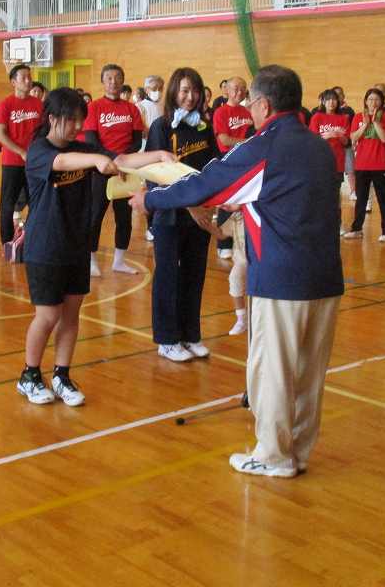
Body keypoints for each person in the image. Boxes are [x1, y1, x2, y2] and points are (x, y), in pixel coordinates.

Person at [131, 64, 344, 478]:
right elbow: (285, 196)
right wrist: (245, 200)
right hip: (326, 278)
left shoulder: (262, 145)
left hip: (283, 280)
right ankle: (295, 452)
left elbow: (205, 184)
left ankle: (272, 457)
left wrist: (151, 199)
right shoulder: (318, 146)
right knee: (308, 375)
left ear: (263, 104)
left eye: (251, 102)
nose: (248, 109)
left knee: (274, 371)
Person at [17, 87, 173, 406]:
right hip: (45, 246)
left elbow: (124, 159)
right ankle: (29, 374)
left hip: (75, 244)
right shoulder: (38, 151)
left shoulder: (83, 148)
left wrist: (157, 155)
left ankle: (62, 374)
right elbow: (62, 161)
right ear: (52, 119)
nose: (76, 126)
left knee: (72, 315)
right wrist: (97, 159)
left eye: (79, 120)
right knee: (47, 315)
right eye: (70, 120)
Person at [144, 67, 219, 362]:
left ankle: (190, 334)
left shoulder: (203, 127)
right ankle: (166, 338)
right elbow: (157, 174)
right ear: (174, 92)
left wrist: (211, 204)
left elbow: (214, 168)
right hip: (170, 214)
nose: (190, 97)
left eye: (195, 91)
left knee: (194, 274)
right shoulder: (161, 127)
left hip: (199, 214)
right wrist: (190, 205)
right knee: (167, 275)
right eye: (185, 90)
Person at [84, 64, 144, 277]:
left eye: (118, 77)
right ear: (103, 81)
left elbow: (137, 141)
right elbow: (91, 140)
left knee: (124, 217)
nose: (113, 81)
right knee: (95, 216)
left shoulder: (132, 109)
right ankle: (90, 261)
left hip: (126, 171)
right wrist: (112, 161)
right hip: (101, 171)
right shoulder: (94, 108)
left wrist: (123, 162)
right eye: (109, 78)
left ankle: (119, 261)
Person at [0, 64, 43, 246]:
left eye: (29, 77)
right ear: (13, 82)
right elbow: (1, 135)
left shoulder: (38, 104)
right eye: (23, 77)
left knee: (37, 203)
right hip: (12, 163)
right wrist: (21, 151)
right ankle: (7, 243)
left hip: (34, 163)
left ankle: (30, 239)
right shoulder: (6, 105)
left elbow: (43, 132)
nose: (28, 80)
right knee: (8, 205)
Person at [343, 88, 385, 242]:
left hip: (380, 165)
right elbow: (353, 137)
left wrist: (375, 122)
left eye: (377, 99)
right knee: (361, 200)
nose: (373, 102)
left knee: (383, 200)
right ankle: (357, 229)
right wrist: (364, 125)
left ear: (381, 102)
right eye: (370, 99)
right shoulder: (358, 116)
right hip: (362, 165)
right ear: (366, 101)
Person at [212, 76, 253, 260]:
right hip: (228, 160)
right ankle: (223, 243)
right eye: (235, 88)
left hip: (247, 161)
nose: (239, 92)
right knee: (227, 202)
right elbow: (224, 140)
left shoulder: (249, 112)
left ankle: (242, 241)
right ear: (226, 90)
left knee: (245, 202)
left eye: (243, 89)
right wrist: (247, 142)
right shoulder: (221, 112)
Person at [333, 86, 357, 199]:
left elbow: (353, 128)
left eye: (339, 94)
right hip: (332, 146)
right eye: (335, 95)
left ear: (343, 96)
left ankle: (353, 191)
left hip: (346, 145)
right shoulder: (329, 111)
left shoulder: (349, 111)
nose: (337, 97)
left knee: (350, 169)